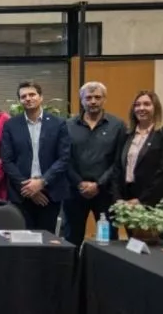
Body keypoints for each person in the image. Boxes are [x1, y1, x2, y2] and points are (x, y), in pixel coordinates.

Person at [1, 81, 70, 233]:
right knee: (22, 240)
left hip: (50, 193)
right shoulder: (11, 125)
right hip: (21, 194)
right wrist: (28, 188)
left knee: (46, 239)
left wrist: (41, 182)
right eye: (23, 96)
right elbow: (7, 161)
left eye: (32, 94)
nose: (28, 98)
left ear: (41, 97)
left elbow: (64, 158)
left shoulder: (58, 124)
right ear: (20, 100)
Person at [63, 82, 124, 246]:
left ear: (104, 99)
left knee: (109, 241)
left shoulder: (117, 126)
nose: (93, 101)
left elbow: (119, 160)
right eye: (88, 98)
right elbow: (64, 159)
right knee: (71, 239)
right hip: (75, 192)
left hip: (106, 192)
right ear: (81, 100)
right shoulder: (68, 125)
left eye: (97, 97)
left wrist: (99, 184)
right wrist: (79, 183)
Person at [113, 90, 163, 207]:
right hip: (126, 199)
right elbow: (117, 168)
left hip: (153, 201)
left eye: (147, 104)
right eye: (137, 105)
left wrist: (141, 200)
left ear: (156, 108)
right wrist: (118, 199)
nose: (141, 108)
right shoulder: (126, 135)